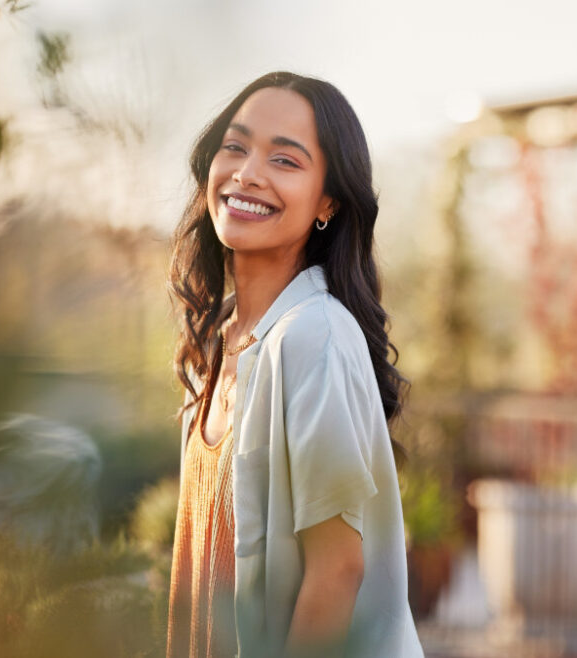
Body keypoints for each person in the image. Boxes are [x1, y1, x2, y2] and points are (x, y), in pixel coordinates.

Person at [166, 71, 424, 658]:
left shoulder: (314, 335)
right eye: (235, 146)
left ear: (328, 201)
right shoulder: (217, 341)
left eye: (285, 160)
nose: (248, 172)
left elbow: (336, 573)